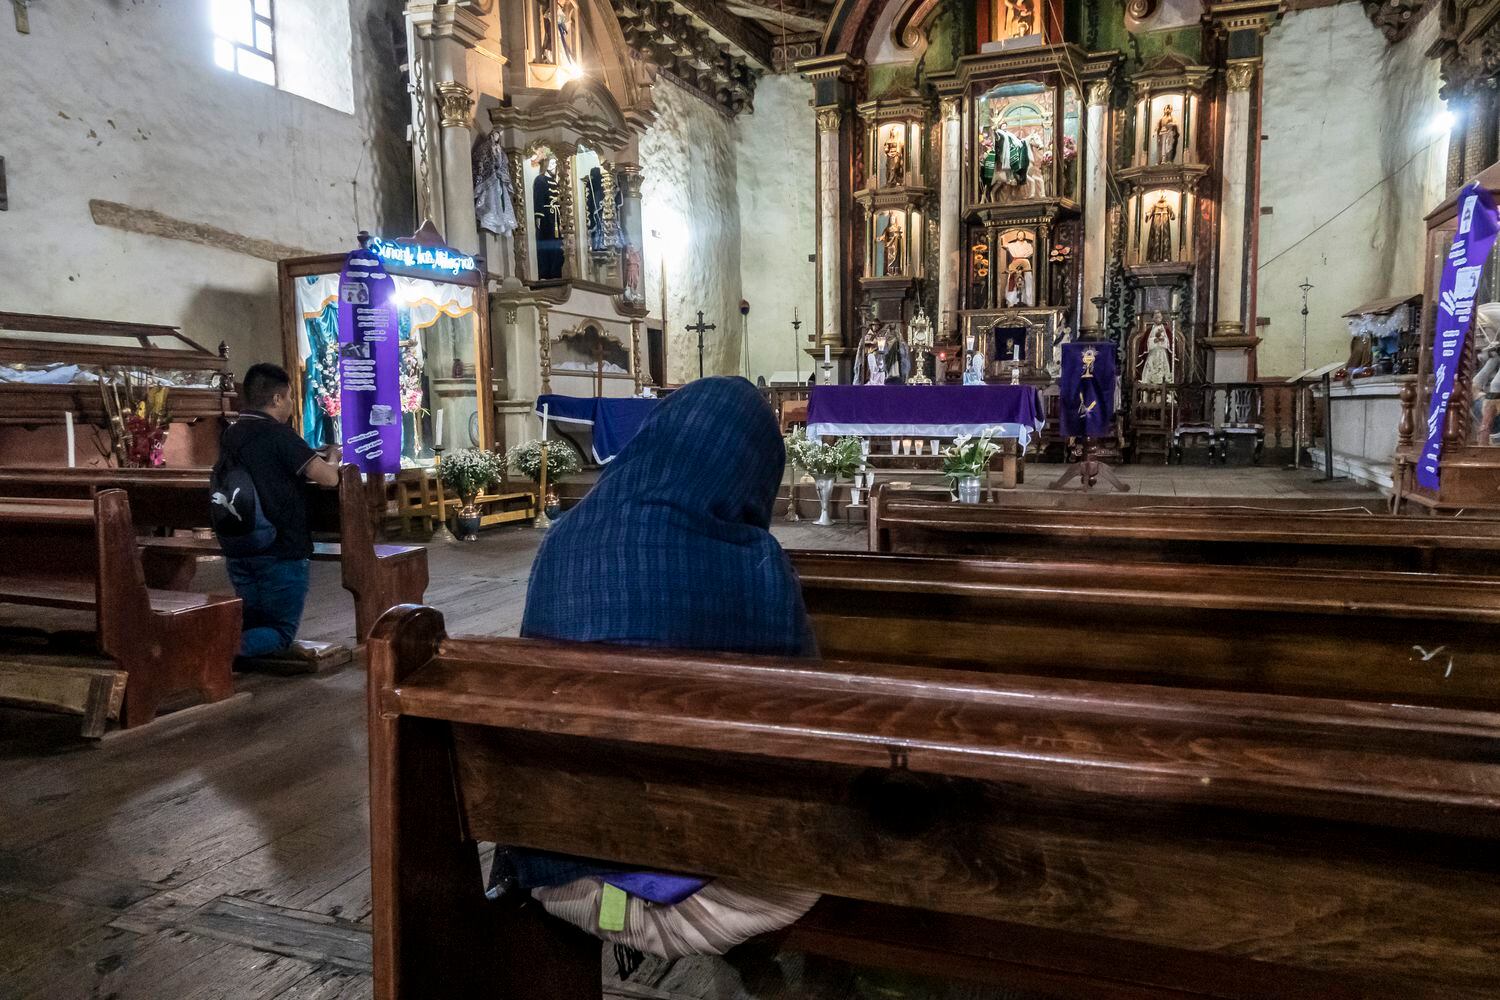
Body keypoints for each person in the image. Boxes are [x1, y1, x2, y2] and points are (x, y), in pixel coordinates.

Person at [505, 376, 819, 969]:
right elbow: (803, 725)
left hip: (563, 875)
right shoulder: (757, 563)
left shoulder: (562, 542)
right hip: (725, 895)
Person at [216, 363, 340, 658]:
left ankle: (229, 655)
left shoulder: (231, 434)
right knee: (281, 632)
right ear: (276, 399)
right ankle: (212, 654)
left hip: (240, 544)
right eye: (289, 397)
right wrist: (333, 457)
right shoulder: (278, 435)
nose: (290, 404)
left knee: (254, 623)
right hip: (280, 549)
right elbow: (328, 478)